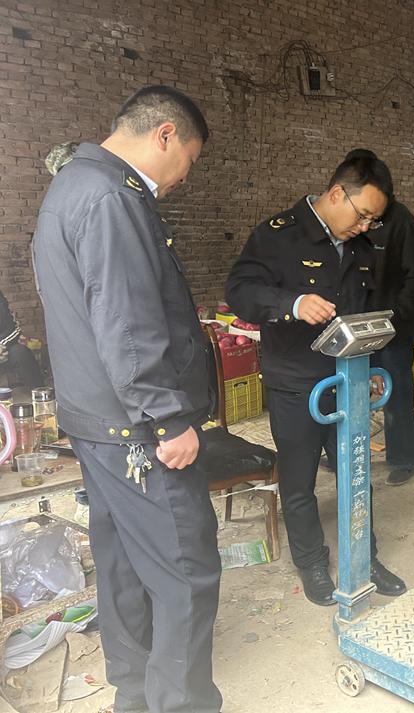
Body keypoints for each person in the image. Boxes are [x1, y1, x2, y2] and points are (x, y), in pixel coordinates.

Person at [32, 86, 222, 713]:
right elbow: (127, 323)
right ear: (165, 134)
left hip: (96, 422)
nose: (184, 177)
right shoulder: (112, 197)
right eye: (189, 159)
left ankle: (135, 695)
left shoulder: (72, 184)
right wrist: (168, 418)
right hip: (137, 431)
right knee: (186, 571)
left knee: (122, 562)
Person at [225, 154, 406, 607]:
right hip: (297, 382)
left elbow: (368, 313)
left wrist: (372, 368)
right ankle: (310, 561)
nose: (365, 226)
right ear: (336, 194)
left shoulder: (361, 247)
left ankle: (364, 557)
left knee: (355, 474)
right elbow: (240, 293)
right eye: (362, 215)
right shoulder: (277, 235)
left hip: (349, 379)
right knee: (299, 478)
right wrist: (292, 303)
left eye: (373, 220)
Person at [344, 149, 414, 486]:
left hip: (392, 327)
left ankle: (403, 457)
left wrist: (397, 316)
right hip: (354, 328)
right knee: (350, 393)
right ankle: (344, 455)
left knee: (396, 392)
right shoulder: (345, 218)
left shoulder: (400, 220)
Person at [0, 288, 44, 389]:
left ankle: (40, 393)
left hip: (3, 350)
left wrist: (1, 345)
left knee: (20, 353)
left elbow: (13, 329)